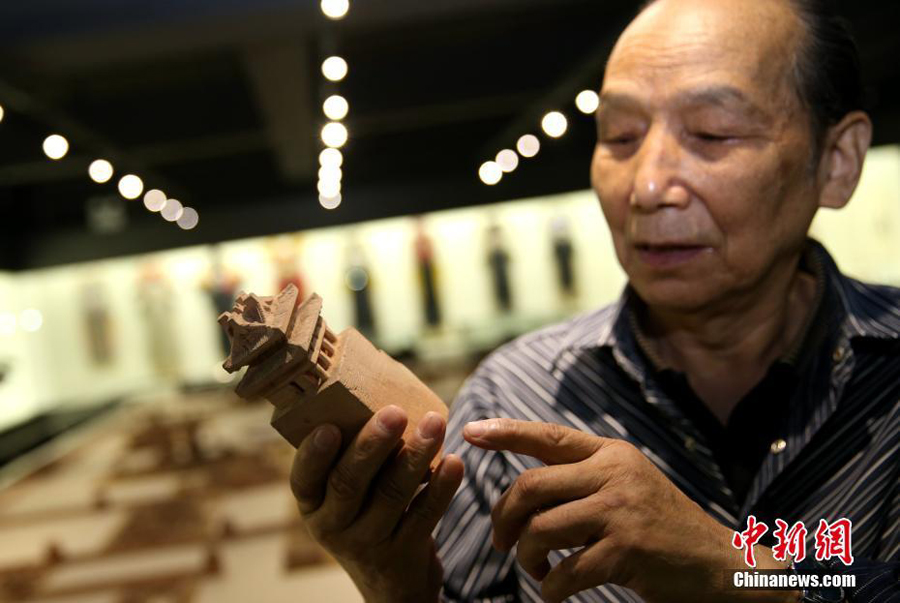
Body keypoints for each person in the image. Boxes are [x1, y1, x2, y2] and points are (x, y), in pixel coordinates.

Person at [289, 0, 900, 601]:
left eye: (713, 132)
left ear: (837, 162)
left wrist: (735, 568)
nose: (648, 185)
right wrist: (394, 582)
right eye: (620, 136)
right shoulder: (512, 400)